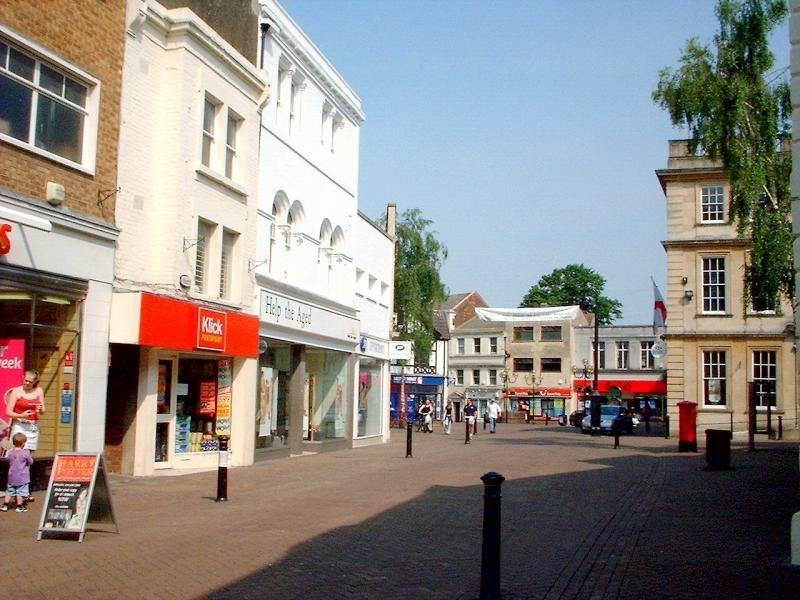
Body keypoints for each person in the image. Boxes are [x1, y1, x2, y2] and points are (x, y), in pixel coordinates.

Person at [5, 369, 45, 454]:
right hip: (20, 425)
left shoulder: (39, 391)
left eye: (30, 382)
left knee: (28, 454)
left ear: (34, 382)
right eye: (25, 380)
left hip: (33, 426)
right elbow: (8, 412)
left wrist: (40, 408)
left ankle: (27, 467)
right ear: (23, 378)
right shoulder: (16, 392)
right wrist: (21, 415)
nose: (27, 383)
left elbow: (43, 411)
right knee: (17, 452)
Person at [1, 432, 33, 512]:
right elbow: (30, 462)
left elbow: (8, 460)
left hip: (11, 476)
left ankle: (5, 505)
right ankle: (19, 506)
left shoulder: (10, 452)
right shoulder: (25, 453)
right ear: (23, 443)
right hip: (22, 477)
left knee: (9, 491)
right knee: (20, 492)